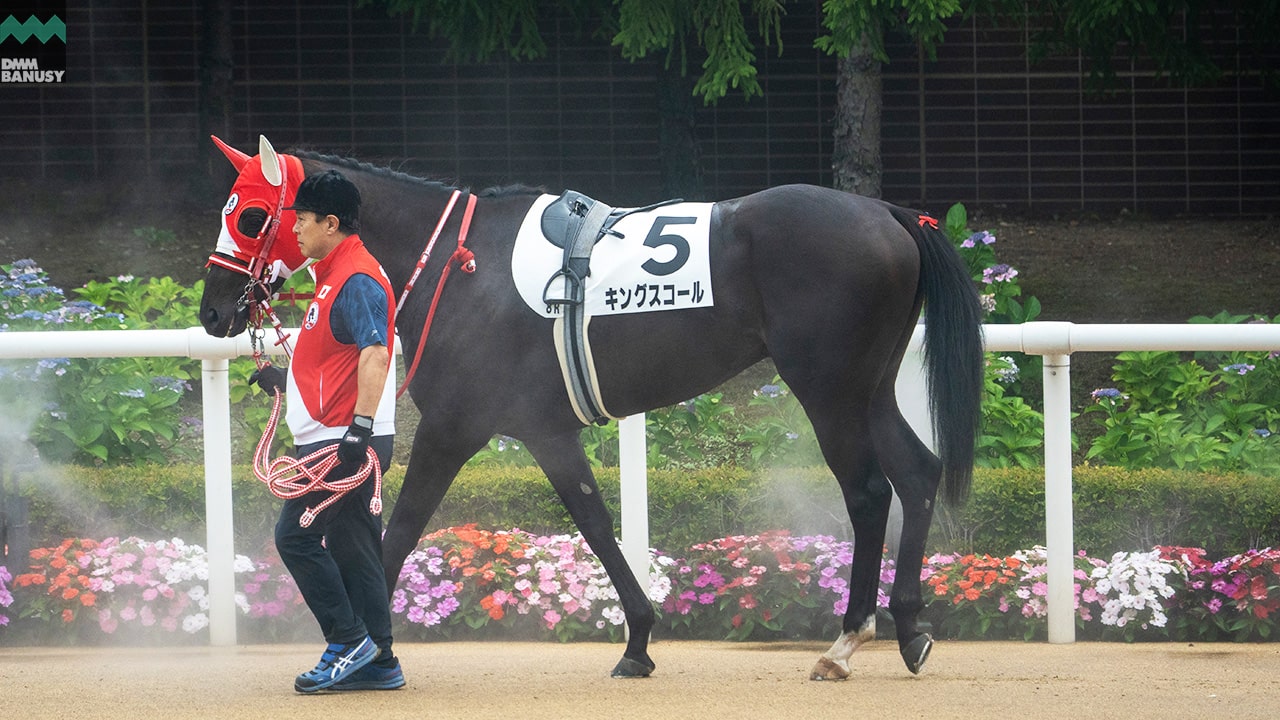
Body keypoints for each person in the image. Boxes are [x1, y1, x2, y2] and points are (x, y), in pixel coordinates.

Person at [250, 169, 403, 693]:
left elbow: (375, 354)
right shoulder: (336, 275)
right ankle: (380, 662)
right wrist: (285, 381)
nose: (294, 230)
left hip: (343, 440)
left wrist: (359, 429)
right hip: (340, 436)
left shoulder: (356, 277)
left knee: (293, 538)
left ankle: (347, 641)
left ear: (330, 223)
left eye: (303, 220)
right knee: (354, 547)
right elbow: (334, 361)